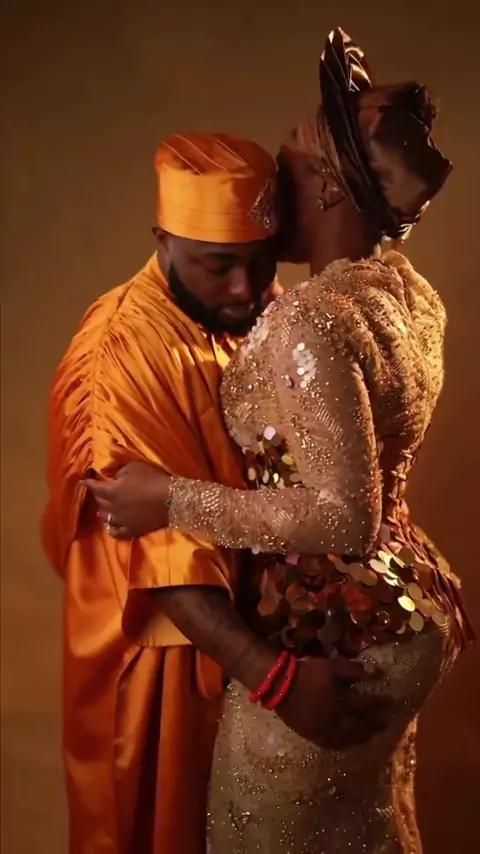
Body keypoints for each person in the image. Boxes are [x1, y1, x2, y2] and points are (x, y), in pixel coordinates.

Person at [85, 29, 474, 854]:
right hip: (410, 611)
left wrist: (168, 499)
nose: (270, 181)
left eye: (290, 162)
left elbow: (341, 518)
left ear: (330, 186)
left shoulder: (310, 318)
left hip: (337, 629)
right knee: (368, 830)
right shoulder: (411, 295)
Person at [41, 129, 387, 854]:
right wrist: (276, 681)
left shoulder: (255, 309)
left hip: (246, 656)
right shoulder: (119, 354)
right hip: (157, 669)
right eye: (218, 265)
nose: (245, 289)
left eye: (262, 263)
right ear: (163, 240)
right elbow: (157, 555)